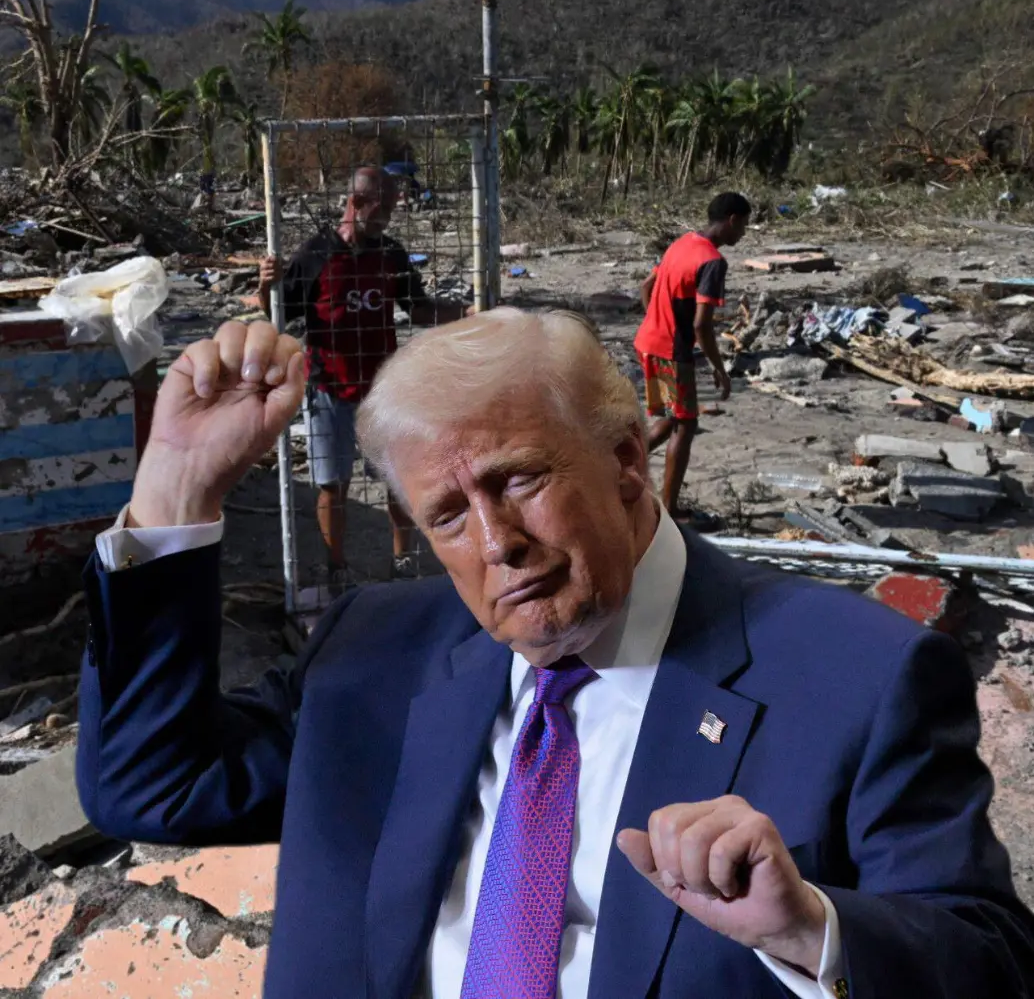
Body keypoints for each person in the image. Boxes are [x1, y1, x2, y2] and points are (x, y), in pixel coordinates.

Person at [78, 311, 1034, 999]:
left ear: (627, 459)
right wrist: (177, 485)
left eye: (517, 481)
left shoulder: (859, 675)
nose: (497, 544)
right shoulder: (374, 651)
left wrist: (810, 930)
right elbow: (147, 788)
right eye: (448, 515)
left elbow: (989, 961)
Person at [257, 165, 469, 586]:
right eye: (383, 207)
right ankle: (336, 568)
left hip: (382, 389)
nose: (390, 215)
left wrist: (469, 313)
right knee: (333, 483)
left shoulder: (390, 254)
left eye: (392, 207)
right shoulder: (314, 256)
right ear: (356, 203)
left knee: (395, 479)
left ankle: (403, 561)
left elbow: (419, 307)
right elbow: (278, 316)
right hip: (328, 389)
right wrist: (266, 287)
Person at [635, 192, 750, 519]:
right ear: (731, 220)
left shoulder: (683, 242)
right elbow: (702, 325)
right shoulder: (713, 262)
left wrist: (655, 321)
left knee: (673, 416)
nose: (742, 233)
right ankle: (668, 511)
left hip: (650, 342)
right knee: (686, 424)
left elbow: (646, 286)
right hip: (672, 350)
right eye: (743, 225)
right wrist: (719, 367)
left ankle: (615, 466)